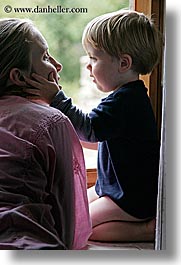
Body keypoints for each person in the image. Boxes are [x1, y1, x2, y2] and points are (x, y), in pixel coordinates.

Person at [24, 10, 161, 242]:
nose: (88, 66)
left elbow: (89, 128)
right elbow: (96, 138)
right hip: (115, 190)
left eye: (94, 59)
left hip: (130, 197)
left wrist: (57, 99)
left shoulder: (126, 101)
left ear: (124, 63)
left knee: (81, 227)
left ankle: (147, 230)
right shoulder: (126, 97)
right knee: (72, 206)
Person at [0, 18, 91, 250]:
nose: (58, 65)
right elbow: (72, 228)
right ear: (19, 77)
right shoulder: (52, 122)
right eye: (44, 57)